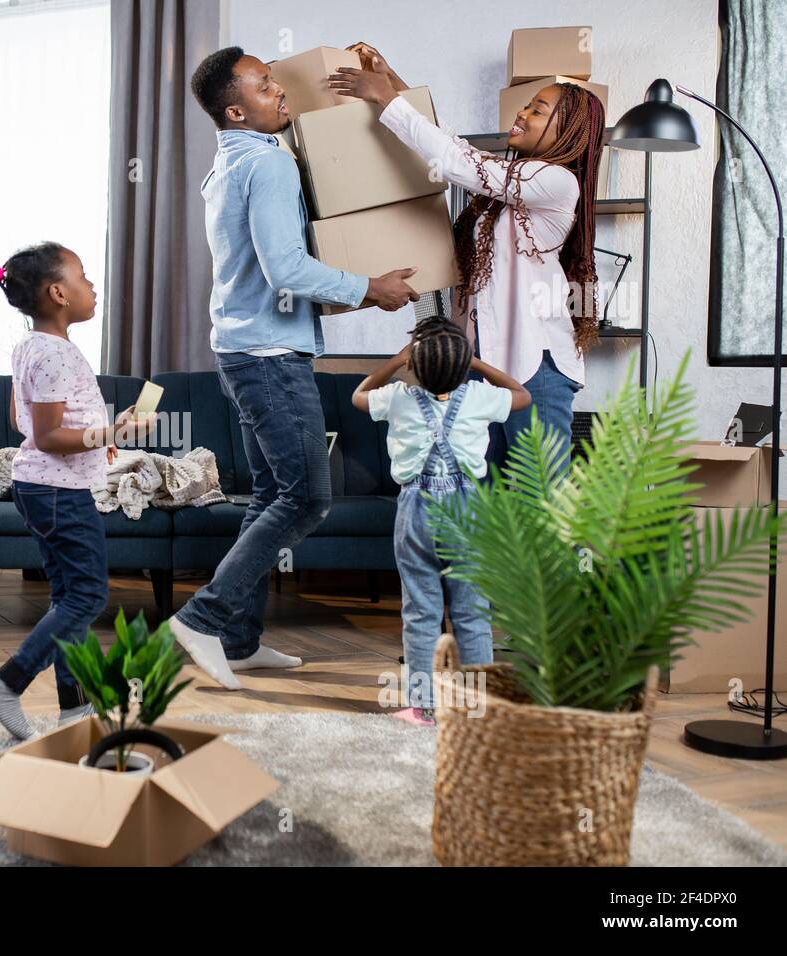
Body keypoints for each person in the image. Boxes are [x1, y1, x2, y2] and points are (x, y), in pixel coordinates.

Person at [176, 46, 421, 690]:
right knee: (307, 498)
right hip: (269, 358)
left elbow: (266, 273)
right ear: (236, 109)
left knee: (269, 494)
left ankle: (239, 640)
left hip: (244, 348)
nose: (279, 90)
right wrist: (370, 287)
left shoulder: (225, 167)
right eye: (263, 85)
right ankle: (202, 618)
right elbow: (285, 268)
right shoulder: (269, 163)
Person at [329, 43, 605, 470]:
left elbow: (458, 161)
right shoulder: (503, 191)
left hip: (536, 365)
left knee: (541, 504)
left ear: (568, 129)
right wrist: (392, 79)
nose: (522, 113)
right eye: (527, 105)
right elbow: (453, 150)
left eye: (537, 110)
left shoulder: (556, 182)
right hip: (483, 363)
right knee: (483, 501)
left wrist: (385, 96)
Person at [0, 242, 150, 740]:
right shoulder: (56, 354)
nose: (91, 286)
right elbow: (49, 438)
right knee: (89, 595)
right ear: (58, 293)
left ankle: (74, 709)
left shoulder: (31, 346)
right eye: (83, 276)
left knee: (68, 595)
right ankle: (7, 683)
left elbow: (21, 421)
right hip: (58, 492)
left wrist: (98, 439)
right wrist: (112, 435)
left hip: (41, 488)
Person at [353, 317, 530, 725]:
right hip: (468, 512)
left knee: (421, 612)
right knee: (472, 612)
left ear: (416, 361)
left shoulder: (397, 397)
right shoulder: (478, 398)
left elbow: (359, 396)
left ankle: (423, 708)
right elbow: (520, 394)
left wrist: (396, 361)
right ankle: (474, 706)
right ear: (461, 361)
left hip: (415, 510)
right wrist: (478, 363)